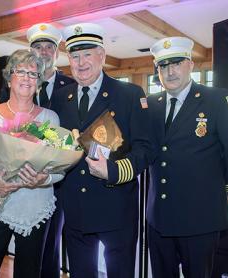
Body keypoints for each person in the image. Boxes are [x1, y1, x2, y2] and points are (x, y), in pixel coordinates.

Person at [51, 23, 152, 277]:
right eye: (74, 56)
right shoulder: (62, 98)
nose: (81, 62)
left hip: (115, 206)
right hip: (76, 209)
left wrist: (115, 170)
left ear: (102, 56)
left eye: (87, 54)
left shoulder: (129, 94)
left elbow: (145, 148)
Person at [146, 36, 228, 278]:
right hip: (159, 218)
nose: (170, 71)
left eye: (176, 63)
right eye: (163, 66)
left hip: (201, 219)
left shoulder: (218, 99)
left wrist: (216, 185)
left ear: (190, 64)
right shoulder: (151, 104)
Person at [0, 49, 64, 278]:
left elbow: (60, 167)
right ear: (9, 77)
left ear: (39, 81)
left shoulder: (50, 118)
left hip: (36, 209)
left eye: (33, 74)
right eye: (21, 72)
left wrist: (45, 178)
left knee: (29, 273)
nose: (28, 78)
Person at [25, 22, 75, 278]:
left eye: (49, 47)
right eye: (38, 47)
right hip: (24, 177)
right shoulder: (20, 83)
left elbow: (72, 136)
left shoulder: (72, 85)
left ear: (57, 53)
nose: (43, 52)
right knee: (29, 245)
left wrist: (38, 131)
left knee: (53, 242)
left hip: (60, 179)